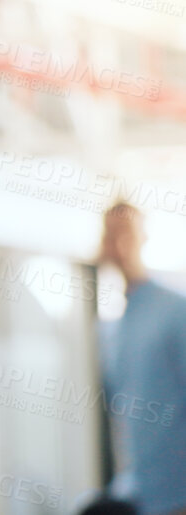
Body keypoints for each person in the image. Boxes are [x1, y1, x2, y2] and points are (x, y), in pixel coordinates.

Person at [99, 201, 186, 515]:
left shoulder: (175, 311)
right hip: (138, 494)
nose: (119, 246)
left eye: (127, 235)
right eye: (111, 236)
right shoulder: (115, 326)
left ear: (143, 239)